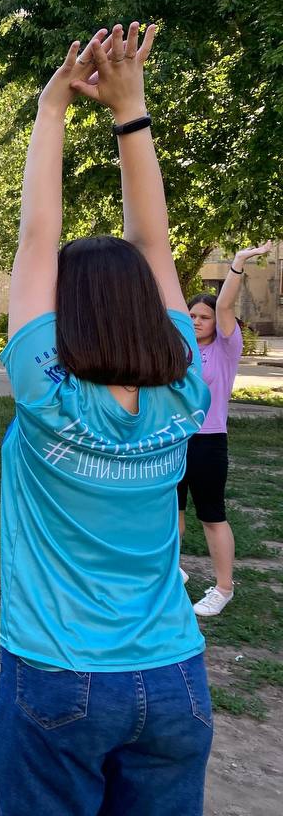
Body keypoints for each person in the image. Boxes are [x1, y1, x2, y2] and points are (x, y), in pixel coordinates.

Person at [0, 23, 213, 815]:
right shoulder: (186, 388)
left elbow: (36, 235)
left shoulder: (48, 395)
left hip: (61, 677)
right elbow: (153, 240)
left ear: (66, 318)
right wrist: (132, 110)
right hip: (175, 678)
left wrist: (52, 108)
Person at [179, 242, 270, 616]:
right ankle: (171, 571)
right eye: (192, 315)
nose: (196, 320)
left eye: (204, 316)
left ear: (217, 321)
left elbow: (227, 305)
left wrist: (236, 264)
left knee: (211, 516)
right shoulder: (180, 349)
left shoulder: (226, 349)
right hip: (175, 440)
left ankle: (223, 587)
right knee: (171, 511)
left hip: (209, 442)